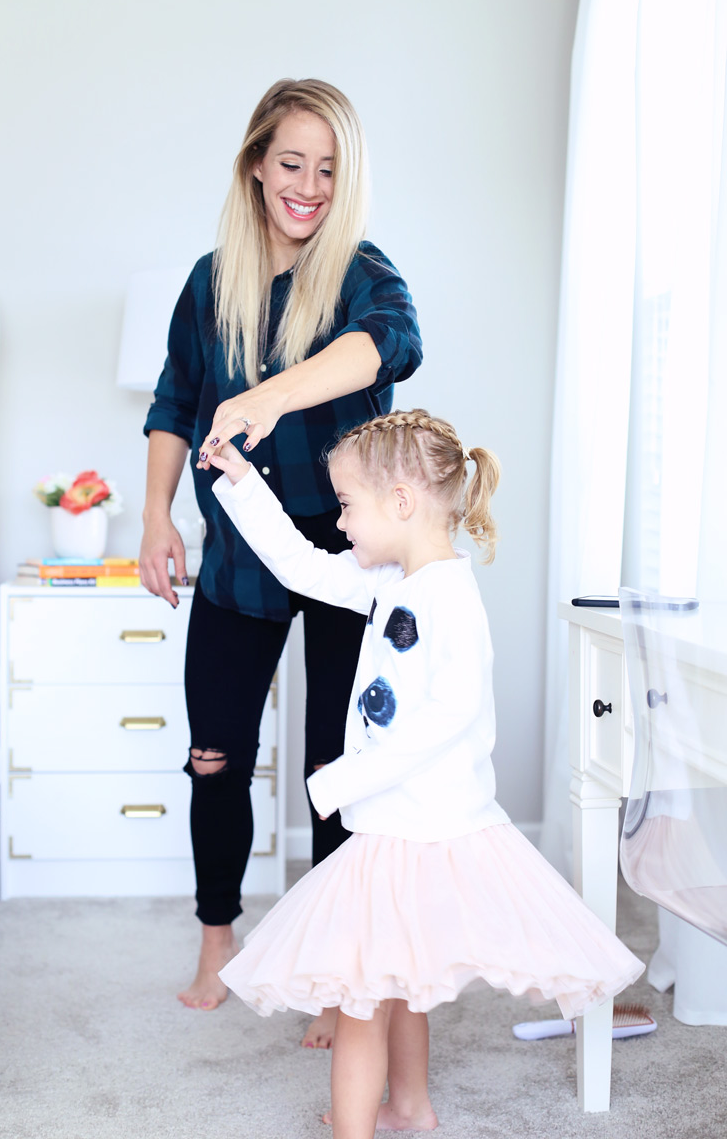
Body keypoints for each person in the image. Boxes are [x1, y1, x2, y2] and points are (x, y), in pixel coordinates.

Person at [208, 408, 645, 1139]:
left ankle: (354, 1130)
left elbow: (449, 716)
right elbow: (301, 565)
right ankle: (410, 1105)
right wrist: (243, 481)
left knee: (359, 996)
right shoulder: (387, 581)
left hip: (415, 824)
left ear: (402, 504)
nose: (341, 524)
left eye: (348, 505)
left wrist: (343, 780)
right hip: (397, 819)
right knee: (400, 979)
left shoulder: (446, 597)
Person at [139, 78, 422, 1047]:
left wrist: (273, 396)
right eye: (290, 162)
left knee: (336, 770)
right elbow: (175, 402)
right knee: (214, 754)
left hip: (349, 557)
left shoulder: (357, 273)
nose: (306, 185)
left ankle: (335, 961)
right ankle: (219, 937)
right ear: (257, 162)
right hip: (240, 561)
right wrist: (153, 517)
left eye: (327, 168)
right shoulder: (209, 279)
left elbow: (390, 346)